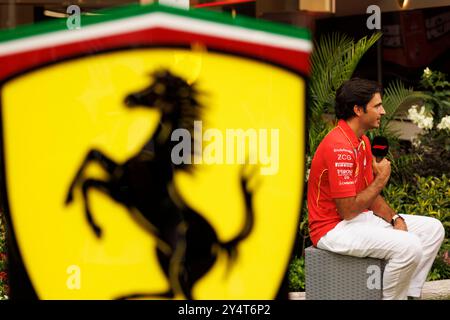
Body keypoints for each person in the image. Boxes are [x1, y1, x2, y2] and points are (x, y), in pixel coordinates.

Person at [307, 78, 445, 300]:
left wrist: (395, 218)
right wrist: (381, 180)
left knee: (432, 230)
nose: (383, 111)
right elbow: (348, 210)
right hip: (331, 229)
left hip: (357, 219)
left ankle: (408, 295)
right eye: (377, 106)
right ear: (358, 110)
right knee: (409, 246)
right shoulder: (339, 147)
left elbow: (368, 196)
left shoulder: (360, 142)